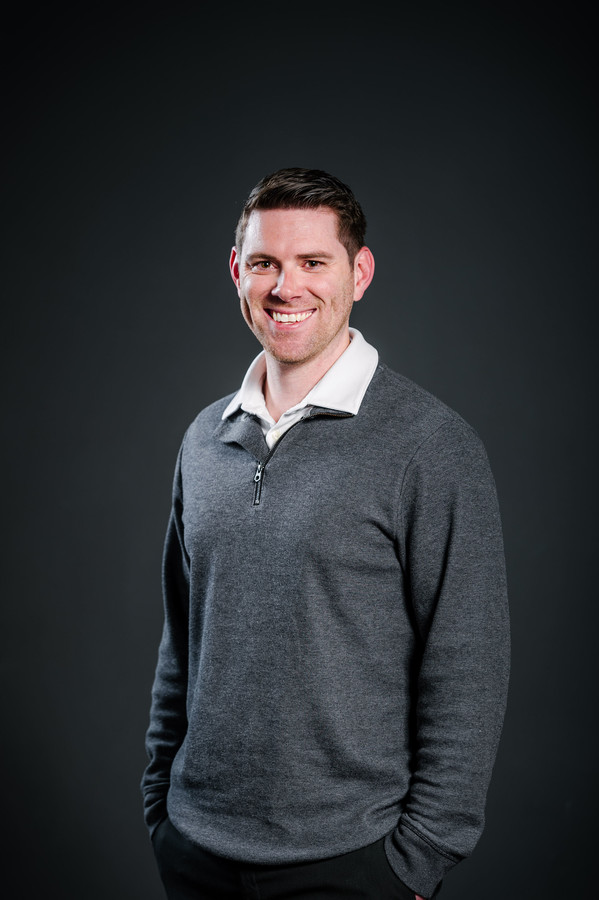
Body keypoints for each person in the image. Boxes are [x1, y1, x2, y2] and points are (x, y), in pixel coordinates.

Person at [142, 168, 510, 900]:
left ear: (359, 272)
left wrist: (418, 856)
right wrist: (161, 803)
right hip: (195, 850)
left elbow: (467, 660)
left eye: (313, 262)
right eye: (265, 263)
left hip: (350, 862)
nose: (286, 287)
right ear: (236, 272)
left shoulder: (429, 444)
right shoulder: (202, 439)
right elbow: (183, 635)